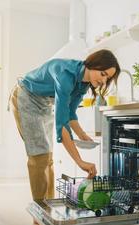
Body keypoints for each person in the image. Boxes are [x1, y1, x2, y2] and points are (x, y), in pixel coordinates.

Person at [9, 49, 121, 201]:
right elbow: (62, 125)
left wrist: (81, 134)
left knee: (48, 156)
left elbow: (70, 113)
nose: (104, 81)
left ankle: (48, 205)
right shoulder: (66, 75)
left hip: (44, 102)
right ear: (93, 64)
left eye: (108, 78)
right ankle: (40, 208)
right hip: (26, 96)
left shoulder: (84, 84)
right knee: (39, 155)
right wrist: (79, 161)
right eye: (103, 74)